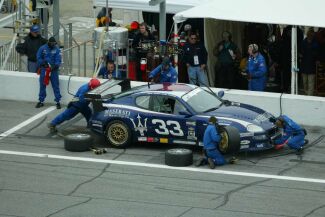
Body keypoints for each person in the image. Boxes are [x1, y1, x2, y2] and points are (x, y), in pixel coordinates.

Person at [35, 37, 62, 109]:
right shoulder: (42, 48)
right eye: (52, 43)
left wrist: (56, 65)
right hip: (44, 69)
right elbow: (38, 57)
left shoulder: (56, 49)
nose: (53, 45)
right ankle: (41, 101)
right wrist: (43, 63)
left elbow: (58, 58)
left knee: (56, 85)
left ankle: (58, 101)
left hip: (53, 70)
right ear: (49, 43)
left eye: (54, 44)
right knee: (42, 85)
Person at [300, 29, 319, 96]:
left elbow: (317, 53)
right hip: (304, 65)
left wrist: (317, 59)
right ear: (308, 34)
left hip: (312, 65)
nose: (311, 36)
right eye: (310, 34)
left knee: (311, 83)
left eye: (312, 35)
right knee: (305, 82)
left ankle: (309, 96)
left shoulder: (315, 42)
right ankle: (307, 93)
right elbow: (301, 52)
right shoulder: (303, 42)